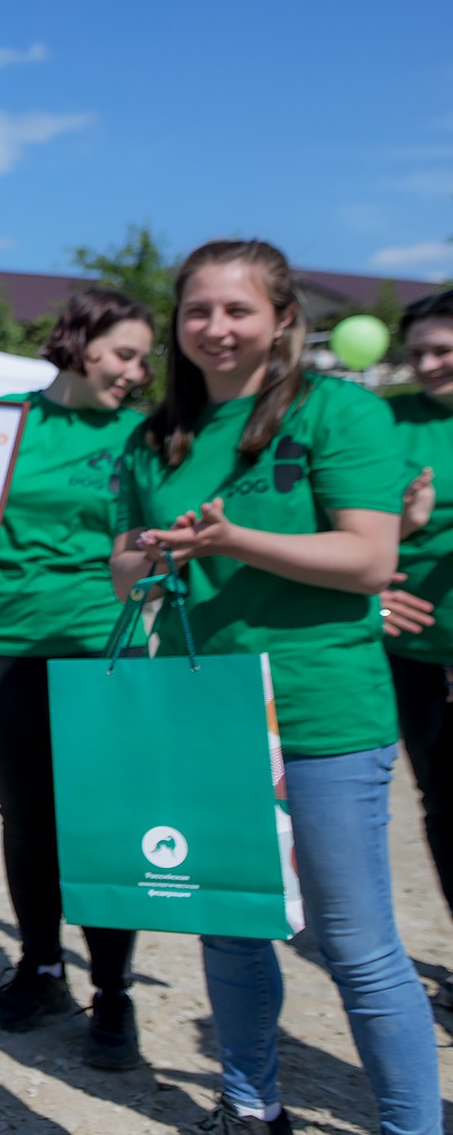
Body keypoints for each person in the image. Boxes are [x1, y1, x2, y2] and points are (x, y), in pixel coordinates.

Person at [110, 239, 438, 1134]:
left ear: (283, 320)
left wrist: (232, 541)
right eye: (198, 311)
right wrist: (147, 550)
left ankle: (413, 1123)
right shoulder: (155, 437)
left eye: (238, 309)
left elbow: (371, 558)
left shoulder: (338, 412)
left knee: (357, 944)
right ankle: (251, 1104)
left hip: (322, 709)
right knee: (231, 926)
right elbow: (124, 574)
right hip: (210, 711)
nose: (216, 328)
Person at [0, 288, 155, 1068]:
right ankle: (42, 965)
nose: (137, 372)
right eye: (124, 354)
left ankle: (112, 990)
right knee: (26, 811)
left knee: (99, 819)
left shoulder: (144, 436)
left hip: (99, 643)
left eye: (145, 358)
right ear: (77, 344)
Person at [378, 289, 453, 945]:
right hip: (413, 642)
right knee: (442, 799)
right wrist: (408, 521)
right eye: (418, 351)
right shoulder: (388, 420)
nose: (428, 364)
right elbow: (356, 529)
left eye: (443, 350)